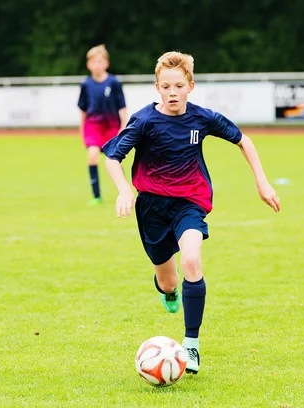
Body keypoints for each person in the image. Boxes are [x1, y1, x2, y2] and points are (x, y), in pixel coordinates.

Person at [103, 51, 280, 374]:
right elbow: (112, 157)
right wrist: (124, 189)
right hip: (152, 208)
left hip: (190, 203)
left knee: (191, 260)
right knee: (169, 282)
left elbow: (244, 140)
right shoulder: (143, 121)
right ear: (157, 87)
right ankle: (167, 292)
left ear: (190, 86)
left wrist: (262, 181)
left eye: (179, 86)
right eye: (166, 86)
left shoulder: (203, 118)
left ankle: (191, 346)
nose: (173, 92)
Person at [77, 44, 128, 206]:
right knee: (92, 156)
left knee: (113, 161)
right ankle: (96, 196)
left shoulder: (114, 83)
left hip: (111, 126)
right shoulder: (86, 85)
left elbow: (123, 107)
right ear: (88, 65)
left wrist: (123, 127)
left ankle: (124, 191)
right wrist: (82, 130)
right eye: (94, 62)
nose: (97, 65)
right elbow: (83, 111)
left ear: (106, 63)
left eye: (100, 61)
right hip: (93, 126)